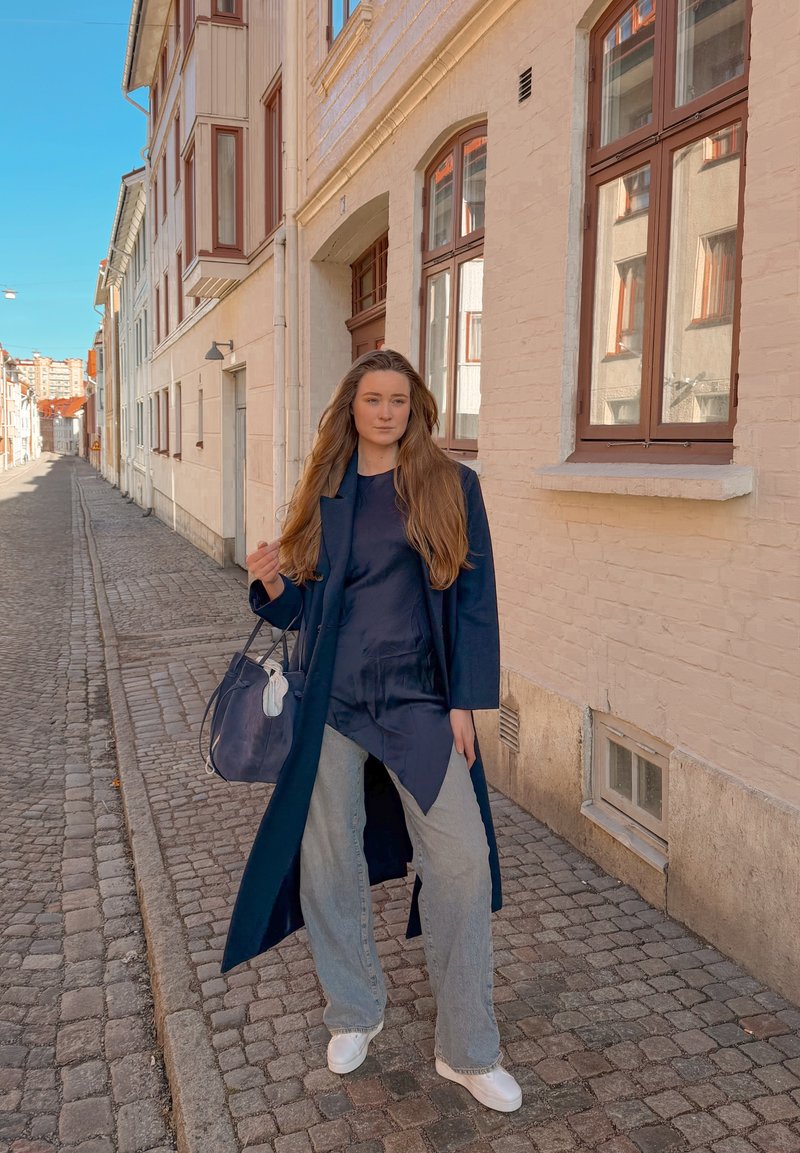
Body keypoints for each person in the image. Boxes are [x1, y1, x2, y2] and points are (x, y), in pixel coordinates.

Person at [223, 348, 521, 1112]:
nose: (386, 410)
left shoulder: (454, 485)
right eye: (372, 398)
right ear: (351, 407)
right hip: (335, 701)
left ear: (415, 405)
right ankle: (355, 1008)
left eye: (398, 399)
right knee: (329, 859)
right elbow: (306, 610)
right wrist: (272, 586)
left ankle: (467, 1047)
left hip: (420, 701)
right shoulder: (327, 489)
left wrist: (466, 701)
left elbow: (477, 600)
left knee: (461, 861)